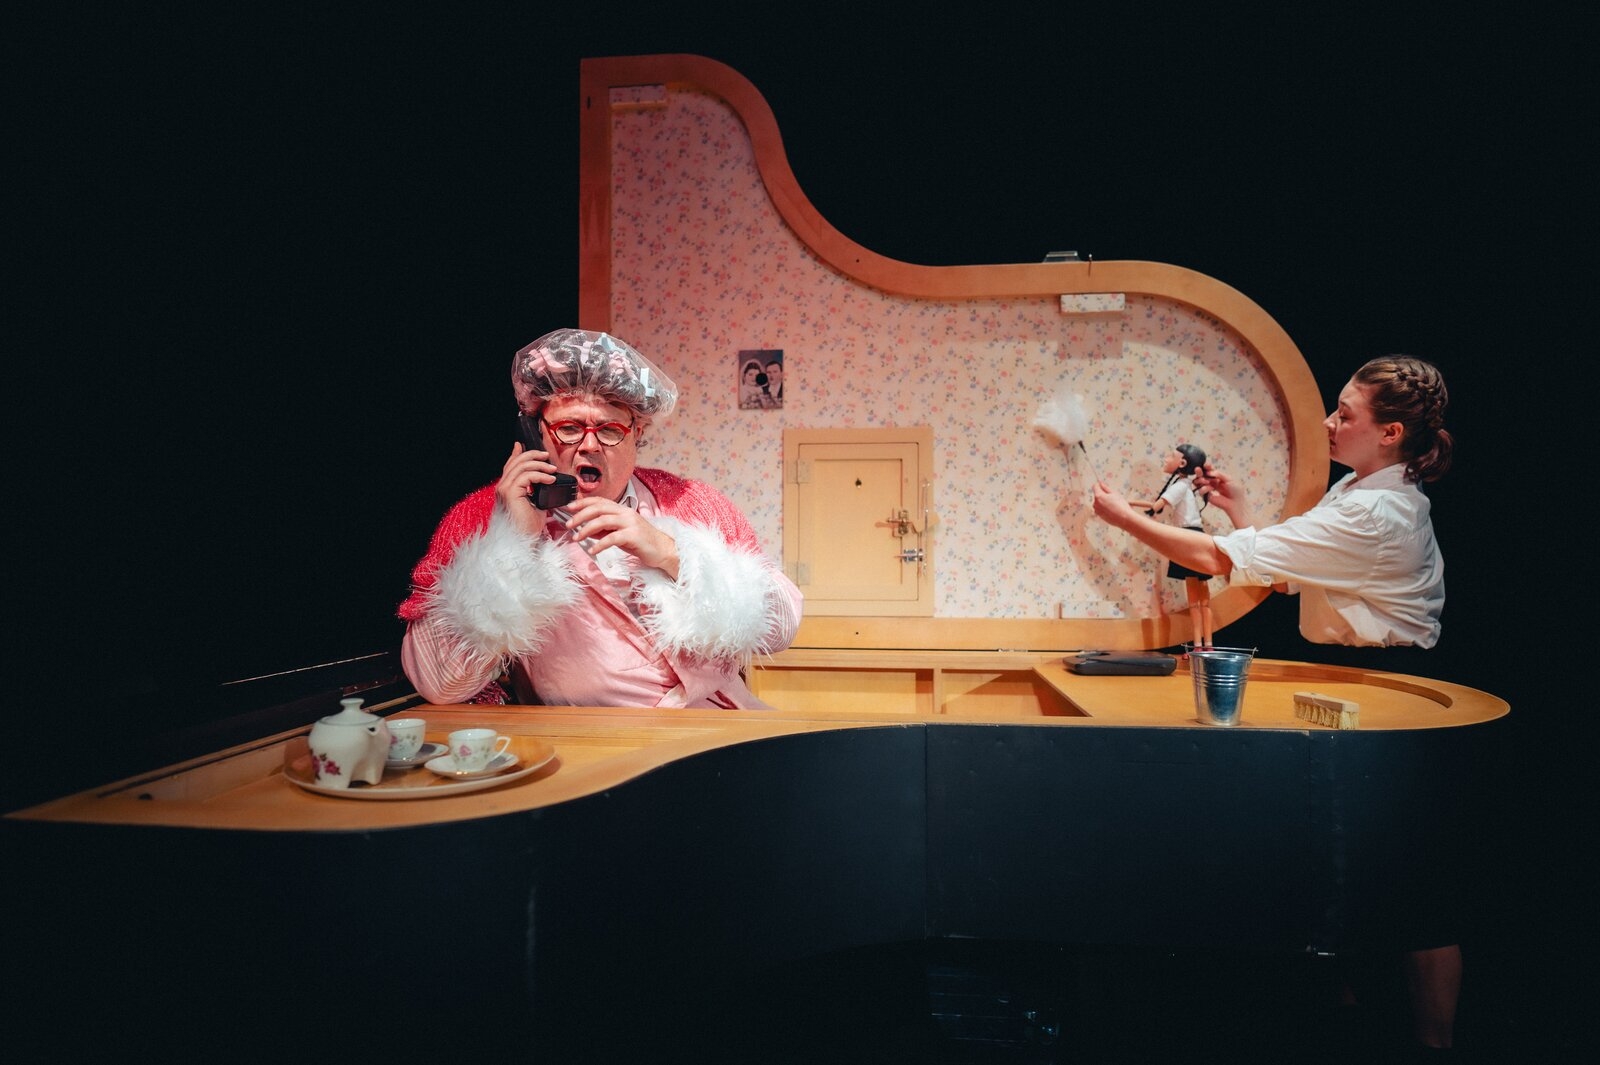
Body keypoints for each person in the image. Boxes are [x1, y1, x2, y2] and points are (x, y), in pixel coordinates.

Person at [1094, 355, 1459, 1053]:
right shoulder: (1359, 490)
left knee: (1416, 882)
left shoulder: (1379, 510)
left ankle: (1432, 1045)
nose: (1328, 422)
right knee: (1348, 859)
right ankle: (1348, 1021)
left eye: (1345, 413)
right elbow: (1290, 573)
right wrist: (1240, 511)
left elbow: (1222, 560)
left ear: (1390, 433)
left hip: (1389, 690)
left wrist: (1122, 519)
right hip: (1353, 680)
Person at [400, 328, 803, 709]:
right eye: (569, 427)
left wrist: (671, 553)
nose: (589, 445)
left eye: (609, 429)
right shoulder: (484, 515)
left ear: (637, 432)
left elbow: (781, 630)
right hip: (591, 738)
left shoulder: (692, 502)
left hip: (719, 723)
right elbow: (440, 683)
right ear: (535, 432)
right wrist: (514, 541)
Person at [1126, 443, 1215, 648]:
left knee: (1196, 600)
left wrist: (1128, 503)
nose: (1166, 459)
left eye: (1170, 456)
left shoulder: (1180, 486)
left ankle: (1200, 645)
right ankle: (1205, 644)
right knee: (1203, 598)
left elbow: (1156, 506)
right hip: (1197, 537)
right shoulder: (1185, 486)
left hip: (1187, 538)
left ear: (1182, 463)